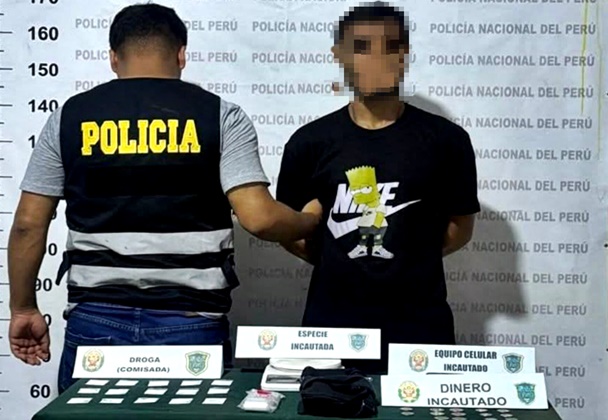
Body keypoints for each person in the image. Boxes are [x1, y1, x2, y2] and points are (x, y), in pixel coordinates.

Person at [8, 3, 320, 393]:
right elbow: (259, 218)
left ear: (113, 58)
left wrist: (23, 307)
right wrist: (309, 220)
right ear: (181, 54)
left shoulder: (69, 117)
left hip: (96, 319)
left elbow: (28, 226)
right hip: (190, 322)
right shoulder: (221, 116)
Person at [276, 1, 480, 373]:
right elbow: (289, 231)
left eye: (389, 46)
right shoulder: (310, 142)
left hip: (420, 329)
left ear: (404, 55)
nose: (375, 59)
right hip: (332, 326)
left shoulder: (446, 140)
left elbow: (459, 228)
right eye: (361, 47)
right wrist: (340, 261)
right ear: (339, 54)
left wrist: (409, 260)